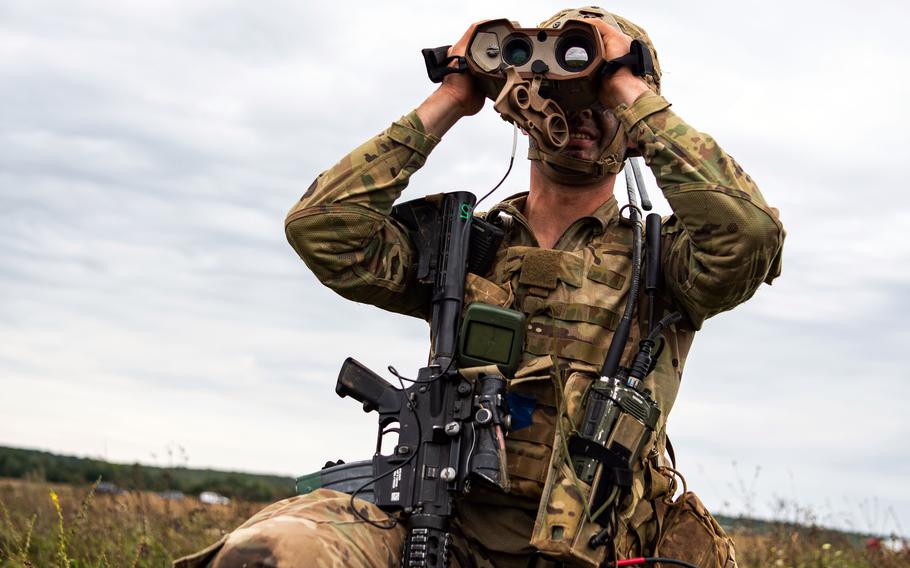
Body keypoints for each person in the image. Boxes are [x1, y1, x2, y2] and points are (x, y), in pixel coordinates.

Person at [176, 6, 784, 568]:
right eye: (561, 97)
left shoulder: (669, 261)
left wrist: (629, 86)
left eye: (602, 103)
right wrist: (455, 94)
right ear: (524, 105)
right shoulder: (463, 244)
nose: (581, 117)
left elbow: (749, 232)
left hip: (593, 551)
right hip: (440, 533)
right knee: (275, 551)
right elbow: (323, 229)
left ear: (633, 126)